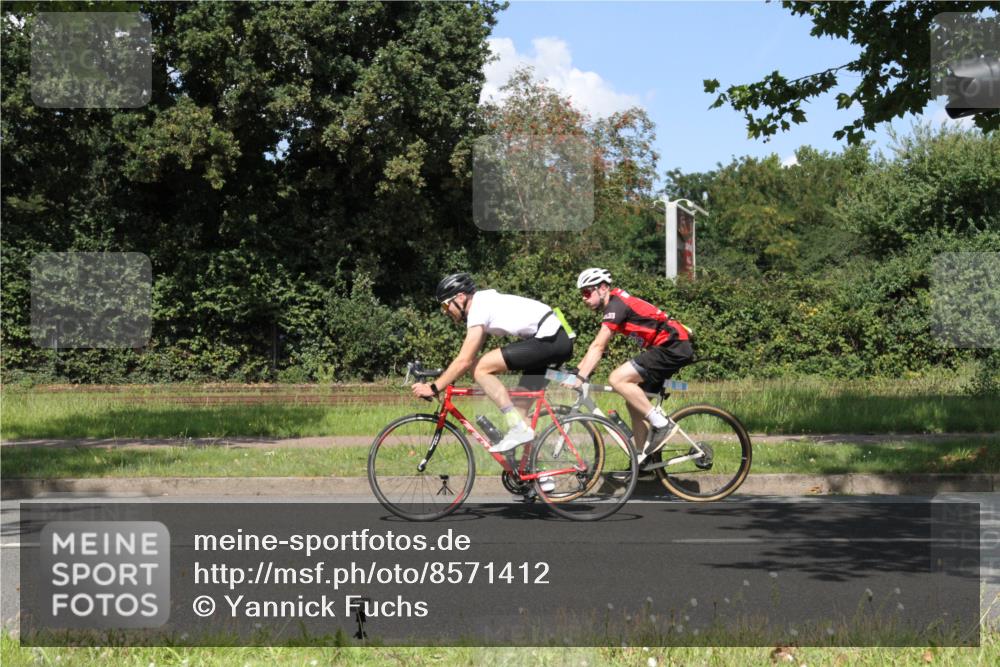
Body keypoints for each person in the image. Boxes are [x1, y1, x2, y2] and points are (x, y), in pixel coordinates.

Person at [412, 272, 574, 452]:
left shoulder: (479, 307)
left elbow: (465, 361)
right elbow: (467, 356)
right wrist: (446, 379)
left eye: (445, 305)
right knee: (520, 414)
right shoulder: (484, 304)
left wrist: (434, 387)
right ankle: (541, 475)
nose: (445, 311)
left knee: (479, 368)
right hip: (552, 339)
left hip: (550, 339)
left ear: (460, 297)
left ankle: (518, 429)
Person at [568, 268, 694, 461]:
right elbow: (598, 347)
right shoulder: (615, 305)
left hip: (672, 346)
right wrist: (578, 370)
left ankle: (662, 424)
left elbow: (598, 346)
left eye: (586, 292)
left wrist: (579, 377)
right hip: (667, 347)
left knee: (617, 378)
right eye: (581, 294)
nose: (583, 298)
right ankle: (642, 460)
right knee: (634, 403)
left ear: (602, 288)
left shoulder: (616, 306)